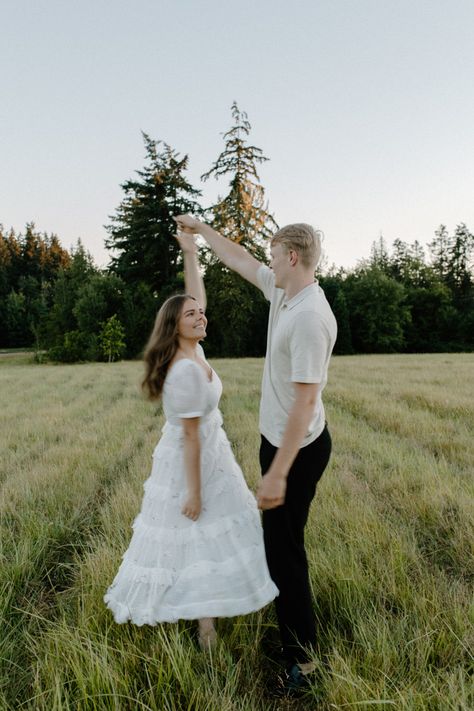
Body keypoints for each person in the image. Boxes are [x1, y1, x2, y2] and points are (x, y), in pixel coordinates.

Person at [174, 215, 337, 691]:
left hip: (299, 450)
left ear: (291, 257)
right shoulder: (286, 292)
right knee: (279, 545)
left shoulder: (309, 317)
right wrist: (202, 230)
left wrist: (277, 473)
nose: (266, 260)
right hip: (279, 443)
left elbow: (305, 404)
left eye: (273, 254)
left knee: (285, 551)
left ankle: (303, 666)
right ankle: (292, 634)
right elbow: (240, 260)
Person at [104, 232, 278, 649]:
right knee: (195, 532)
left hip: (214, 455)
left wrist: (191, 251)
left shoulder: (194, 351)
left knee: (215, 536)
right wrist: (196, 493)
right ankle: (204, 626)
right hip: (192, 464)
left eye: (199, 314)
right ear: (176, 329)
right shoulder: (183, 371)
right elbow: (190, 440)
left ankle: (208, 615)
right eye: (191, 317)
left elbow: (195, 295)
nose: (201, 318)